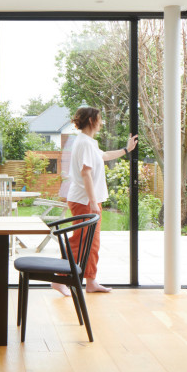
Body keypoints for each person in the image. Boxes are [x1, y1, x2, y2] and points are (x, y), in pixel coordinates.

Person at [54, 106, 138, 296]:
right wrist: (92, 202)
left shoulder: (89, 143)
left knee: (92, 243)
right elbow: (86, 173)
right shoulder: (84, 143)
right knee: (80, 241)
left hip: (90, 200)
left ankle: (90, 281)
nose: (101, 122)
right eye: (99, 119)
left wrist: (127, 149)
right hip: (84, 200)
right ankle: (58, 279)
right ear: (92, 121)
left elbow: (105, 156)